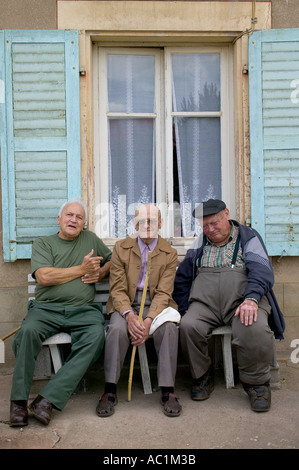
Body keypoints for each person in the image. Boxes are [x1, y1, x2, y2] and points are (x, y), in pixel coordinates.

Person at [173, 199, 284, 412]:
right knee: (188, 326)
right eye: (205, 226)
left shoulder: (247, 237)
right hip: (205, 305)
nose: (210, 229)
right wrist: (183, 309)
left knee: (255, 327)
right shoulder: (199, 243)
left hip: (242, 302)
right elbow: (183, 278)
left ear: (226, 214)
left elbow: (262, 271)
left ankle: (257, 384)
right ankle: (202, 376)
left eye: (214, 223)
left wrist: (251, 299)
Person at [9, 198, 112, 427]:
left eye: (79, 217)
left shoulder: (91, 239)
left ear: (84, 224)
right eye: (69, 215)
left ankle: (46, 400)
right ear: (59, 219)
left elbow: (113, 261)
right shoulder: (44, 244)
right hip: (46, 310)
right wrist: (82, 269)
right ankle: (18, 403)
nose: (74, 220)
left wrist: (101, 272)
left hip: (83, 311)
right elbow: (44, 277)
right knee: (27, 332)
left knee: (96, 337)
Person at [96, 203, 182, 417]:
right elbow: (116, 288)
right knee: (116, 329)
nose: (147, 225)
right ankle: (110, 389)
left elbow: (164, 292)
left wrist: (148, 320)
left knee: (169, 329)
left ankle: (168, 390)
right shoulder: (120, 248)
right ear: (134, 224)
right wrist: (129, 315)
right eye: (141, 221)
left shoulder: (169, 253)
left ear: (160, 223)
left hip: (156, 304)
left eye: (152, 220)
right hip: (125, 302)